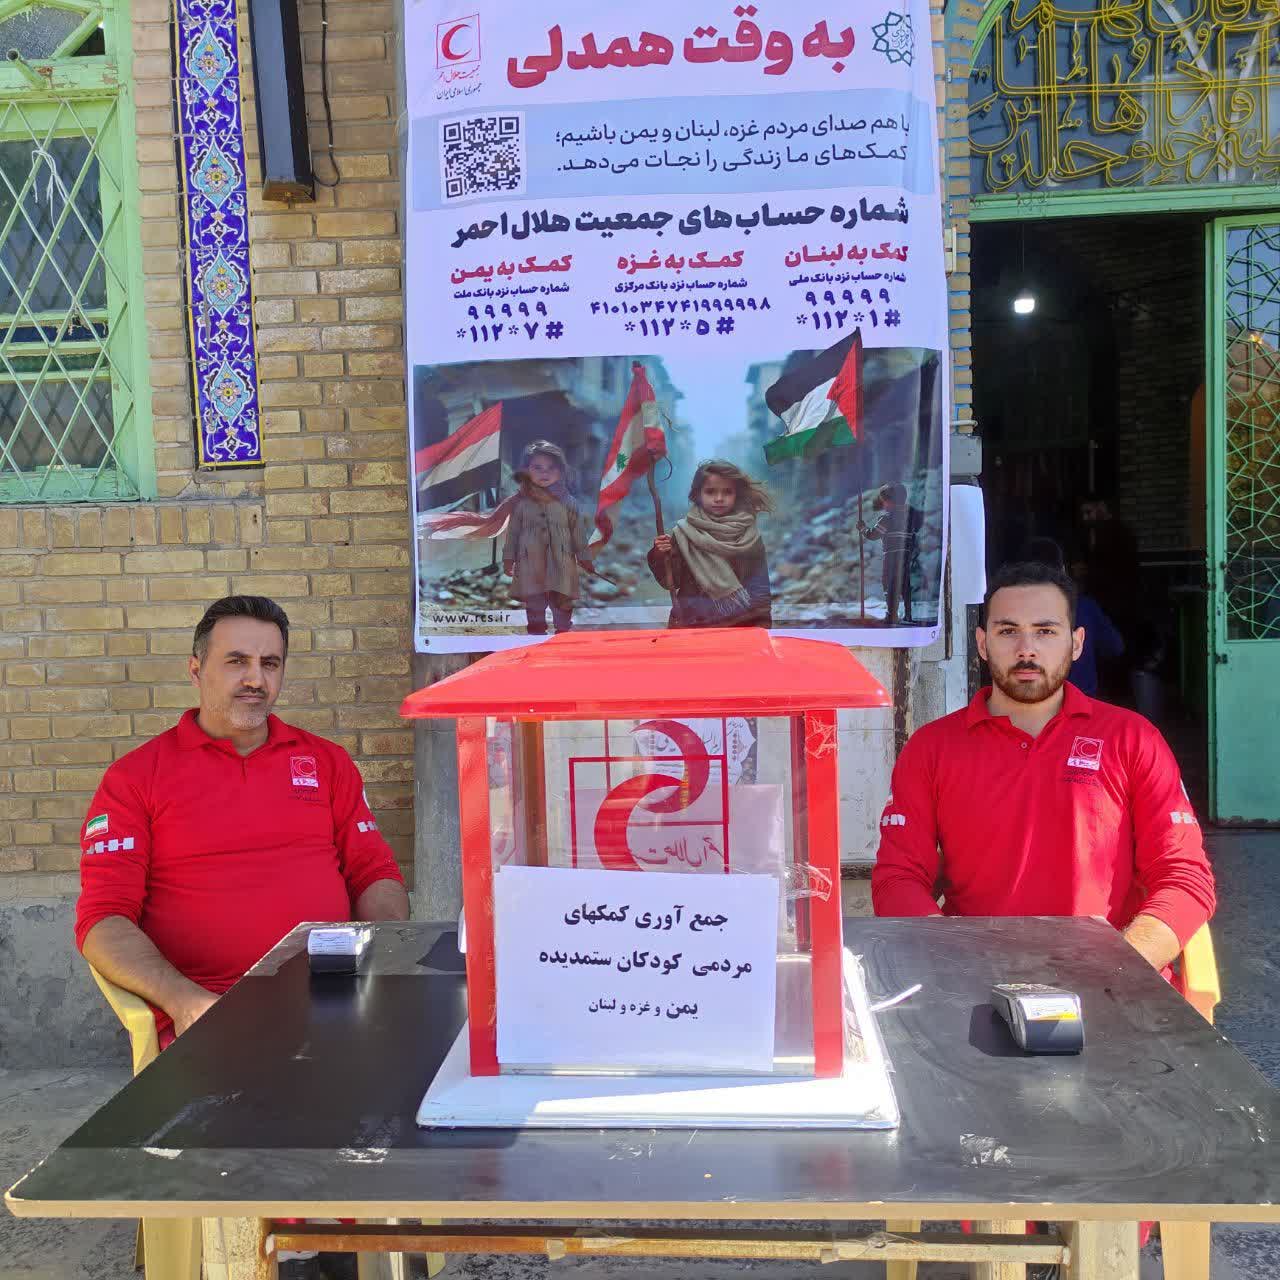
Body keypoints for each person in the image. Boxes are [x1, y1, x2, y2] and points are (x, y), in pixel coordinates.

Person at [75, 596, 409, 1046]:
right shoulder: (135, 778)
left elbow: (374, 874)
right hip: (212, 1011)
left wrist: (384, 962)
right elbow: (104, 918)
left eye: (270, 663)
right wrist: (184, 1001)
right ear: (196, 670)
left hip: (334, 999)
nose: (256, 679)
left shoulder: (327, 762)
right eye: (236, 661)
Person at [871, 560, 1215, 973]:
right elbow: (898, 879)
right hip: (976, 978)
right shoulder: (931, 748)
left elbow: (1184, 878)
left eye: (1046, 631)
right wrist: (957, 965)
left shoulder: (1132, 739)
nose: (1026, 650)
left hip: (1112, 978)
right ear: (982, 643)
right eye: (1007, 631)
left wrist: (1119, 968)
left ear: (1076, 643)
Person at [647, 459, 773, 628]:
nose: (719, 498)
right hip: (692, 625)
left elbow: (760, 587)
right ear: (698, 494)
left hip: (739, 625)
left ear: (737, 495)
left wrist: (762, 628)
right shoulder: (684, 532)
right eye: (710, 492)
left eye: (727, 492)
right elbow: (671, 582)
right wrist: (660, 554)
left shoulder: (749, 535)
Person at [502, 439, 593, 635]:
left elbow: (578, 533)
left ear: (561, 471)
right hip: (530, 564)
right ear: (526, 471)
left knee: (562, 600)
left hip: (561, 564)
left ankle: (563, 632)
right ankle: (536, 633)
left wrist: (584, 558)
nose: (545, 473)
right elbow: (513, 534)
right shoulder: (521, 503)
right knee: (534, 602)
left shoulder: (568, 502)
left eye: (551, 467)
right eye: (537, 468)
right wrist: (508, 559)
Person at [1022, 536, 1124, 698]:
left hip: (1030, 701)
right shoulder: (1085, 607)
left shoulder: (1014, 612)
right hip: (1082, 700)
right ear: (1063, 570)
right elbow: (1115, 647)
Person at [858, 482, 924, 626]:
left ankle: (891, 615)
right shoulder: (911, 517)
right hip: (906, 555)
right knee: (905, 584)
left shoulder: (886, 519)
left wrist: (863, 528)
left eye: (884, 501)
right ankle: (908, 615)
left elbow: (873, 535)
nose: (883, 505)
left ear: (889, 502)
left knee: (889, 584)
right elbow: (918, 526)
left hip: (891, 556)